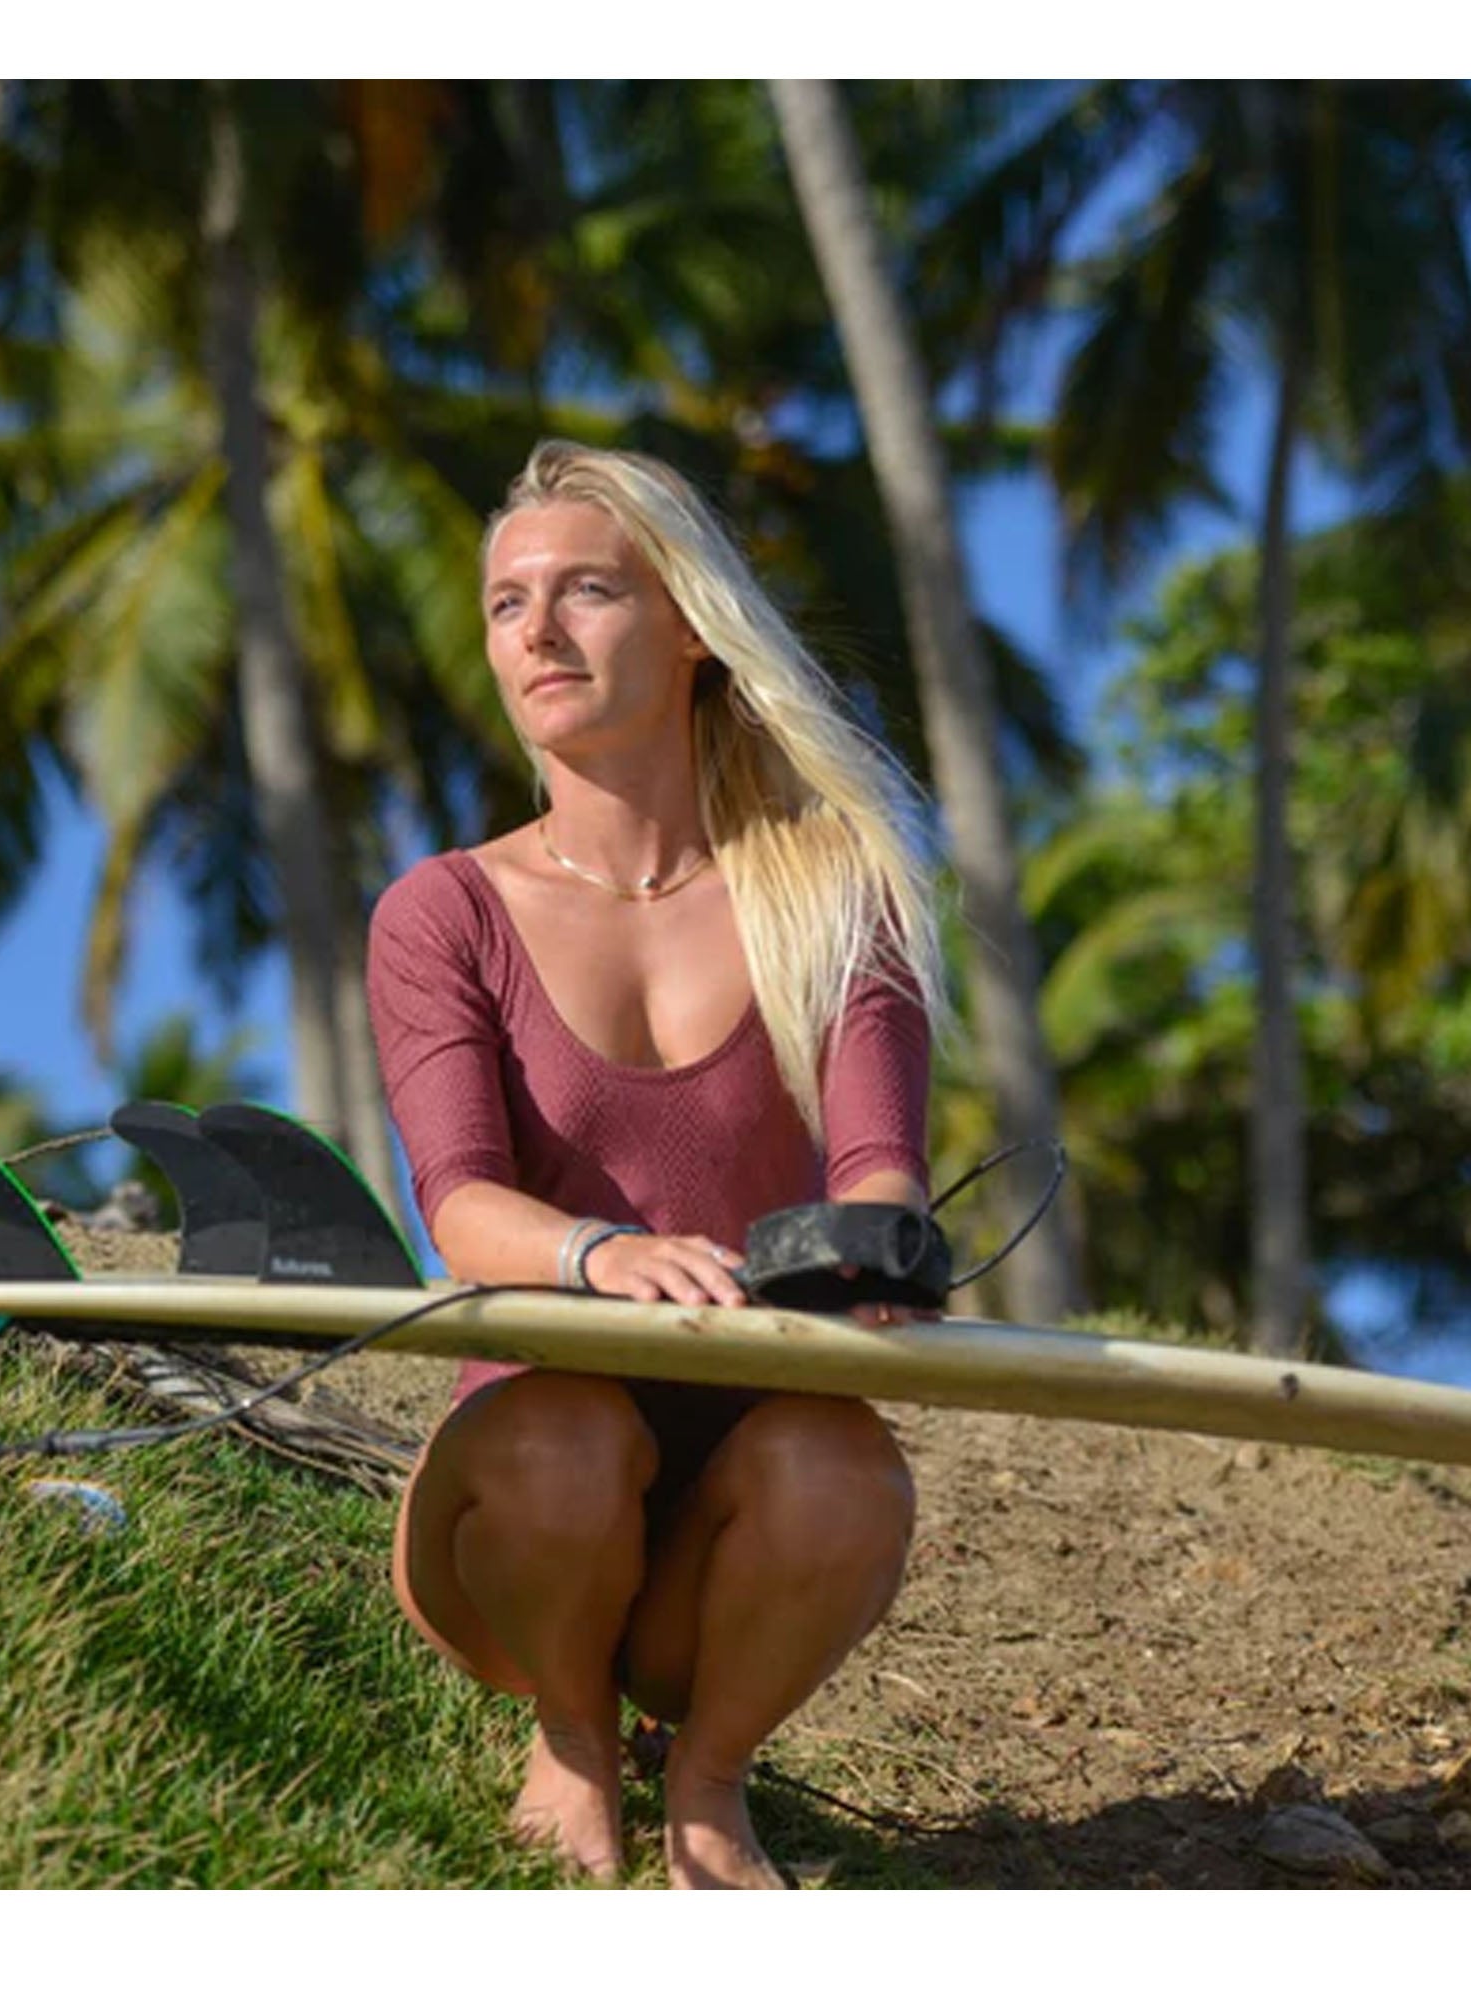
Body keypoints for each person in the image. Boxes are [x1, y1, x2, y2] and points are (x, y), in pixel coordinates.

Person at [366, 440, 946, 1890]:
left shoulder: (831, 886)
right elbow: (459, 1207)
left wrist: (871, 1256)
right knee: (565, 1434)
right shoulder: (443, 913)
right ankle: (571, 1740)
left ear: (690, 622)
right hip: (518, 1504)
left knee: (847, 1473)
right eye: (507, 604)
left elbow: (880, 1166)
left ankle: (706, 1782)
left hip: (740, 1506)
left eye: (587, 592)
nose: (539, 632)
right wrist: (600, 1255)